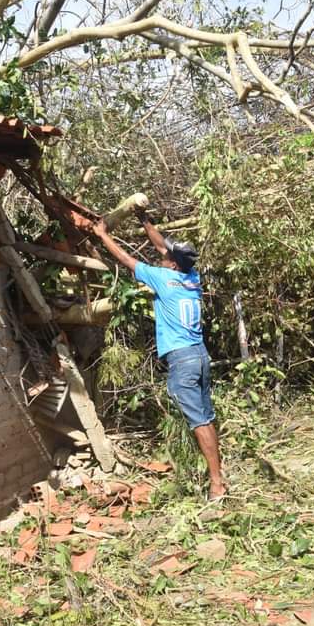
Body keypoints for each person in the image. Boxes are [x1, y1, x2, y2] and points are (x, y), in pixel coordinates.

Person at [85, 208, 226, 500]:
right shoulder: (191, 278)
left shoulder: (162, 278)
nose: (162, 253)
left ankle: (216, 485)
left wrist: (102, 235)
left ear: (172, 264)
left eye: (167, 255)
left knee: (198, 422)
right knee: (206, 417)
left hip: (182, 359)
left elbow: (125, 260)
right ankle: (218, 476)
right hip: (199, 355)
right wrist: (145, 220)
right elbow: (162, 246)